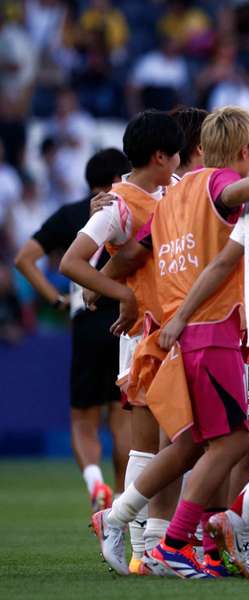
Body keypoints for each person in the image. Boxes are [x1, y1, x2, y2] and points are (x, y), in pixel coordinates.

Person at [86, 106, 249, 579]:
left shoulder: (170, 197)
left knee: (191, 446)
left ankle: (124, 517)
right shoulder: (217, 185)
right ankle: (174, 542)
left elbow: (135, 251)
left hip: (182, 335)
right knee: (232, 444)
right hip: (212, 328)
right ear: (247, 152)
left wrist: (99, 285)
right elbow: (234, 192)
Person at [61, 111, 183, 575]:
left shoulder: (169, 194)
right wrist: (123, 295)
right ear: (160, 156)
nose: (179, 164)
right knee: (160, 444)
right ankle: (139, 542)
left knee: (160, 445)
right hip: (145, 336)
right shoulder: (116, 205)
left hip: (171, 329)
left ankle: (146, 549)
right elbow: (73, 264)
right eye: (176, 156)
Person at [14, 148, 131, 513]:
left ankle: (95, 484)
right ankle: (124, 499)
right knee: (122, 416)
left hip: (84, 322)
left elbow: (24, 259)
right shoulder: (131, 209)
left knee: (83, 419)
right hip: (125, 320)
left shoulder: (69, 214)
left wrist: (55, 300)